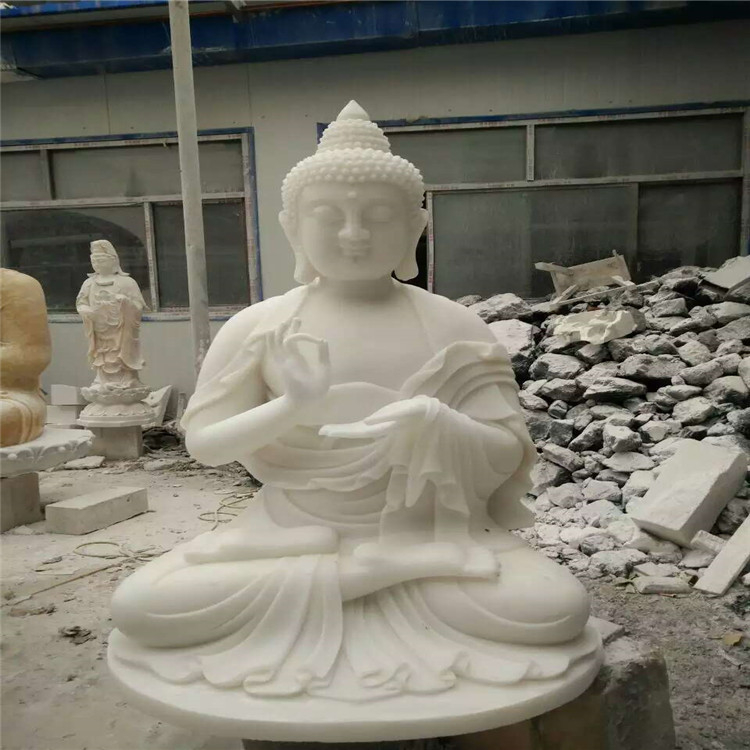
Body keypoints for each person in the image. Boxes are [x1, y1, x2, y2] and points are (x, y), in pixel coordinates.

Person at [111, 101, 594, 701]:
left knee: (553, 607)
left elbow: (503, 455)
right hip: (294, 529)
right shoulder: (260, 326)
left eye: (378, 216)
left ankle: (372, 573)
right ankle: (368, 576)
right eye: (327, 215)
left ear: (415, 228)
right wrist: (293, 406)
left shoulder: (454, 325)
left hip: (429, 530)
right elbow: (206, 446)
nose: (353, 233)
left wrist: (435, 422)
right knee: (142, 606)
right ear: (292, 227)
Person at [76, 240, 146, 388]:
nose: (97, 264)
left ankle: (127, 379)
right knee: (101, 355)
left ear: (113, 261)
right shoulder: (89, 283)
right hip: (99, 329)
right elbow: (81, 302)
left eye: (101, 260)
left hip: (120, 330)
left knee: (121, 353)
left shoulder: (127, 282)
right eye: (94, 260)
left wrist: (125, 302)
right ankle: (102, 379)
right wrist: (85, 310)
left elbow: (139, 306)